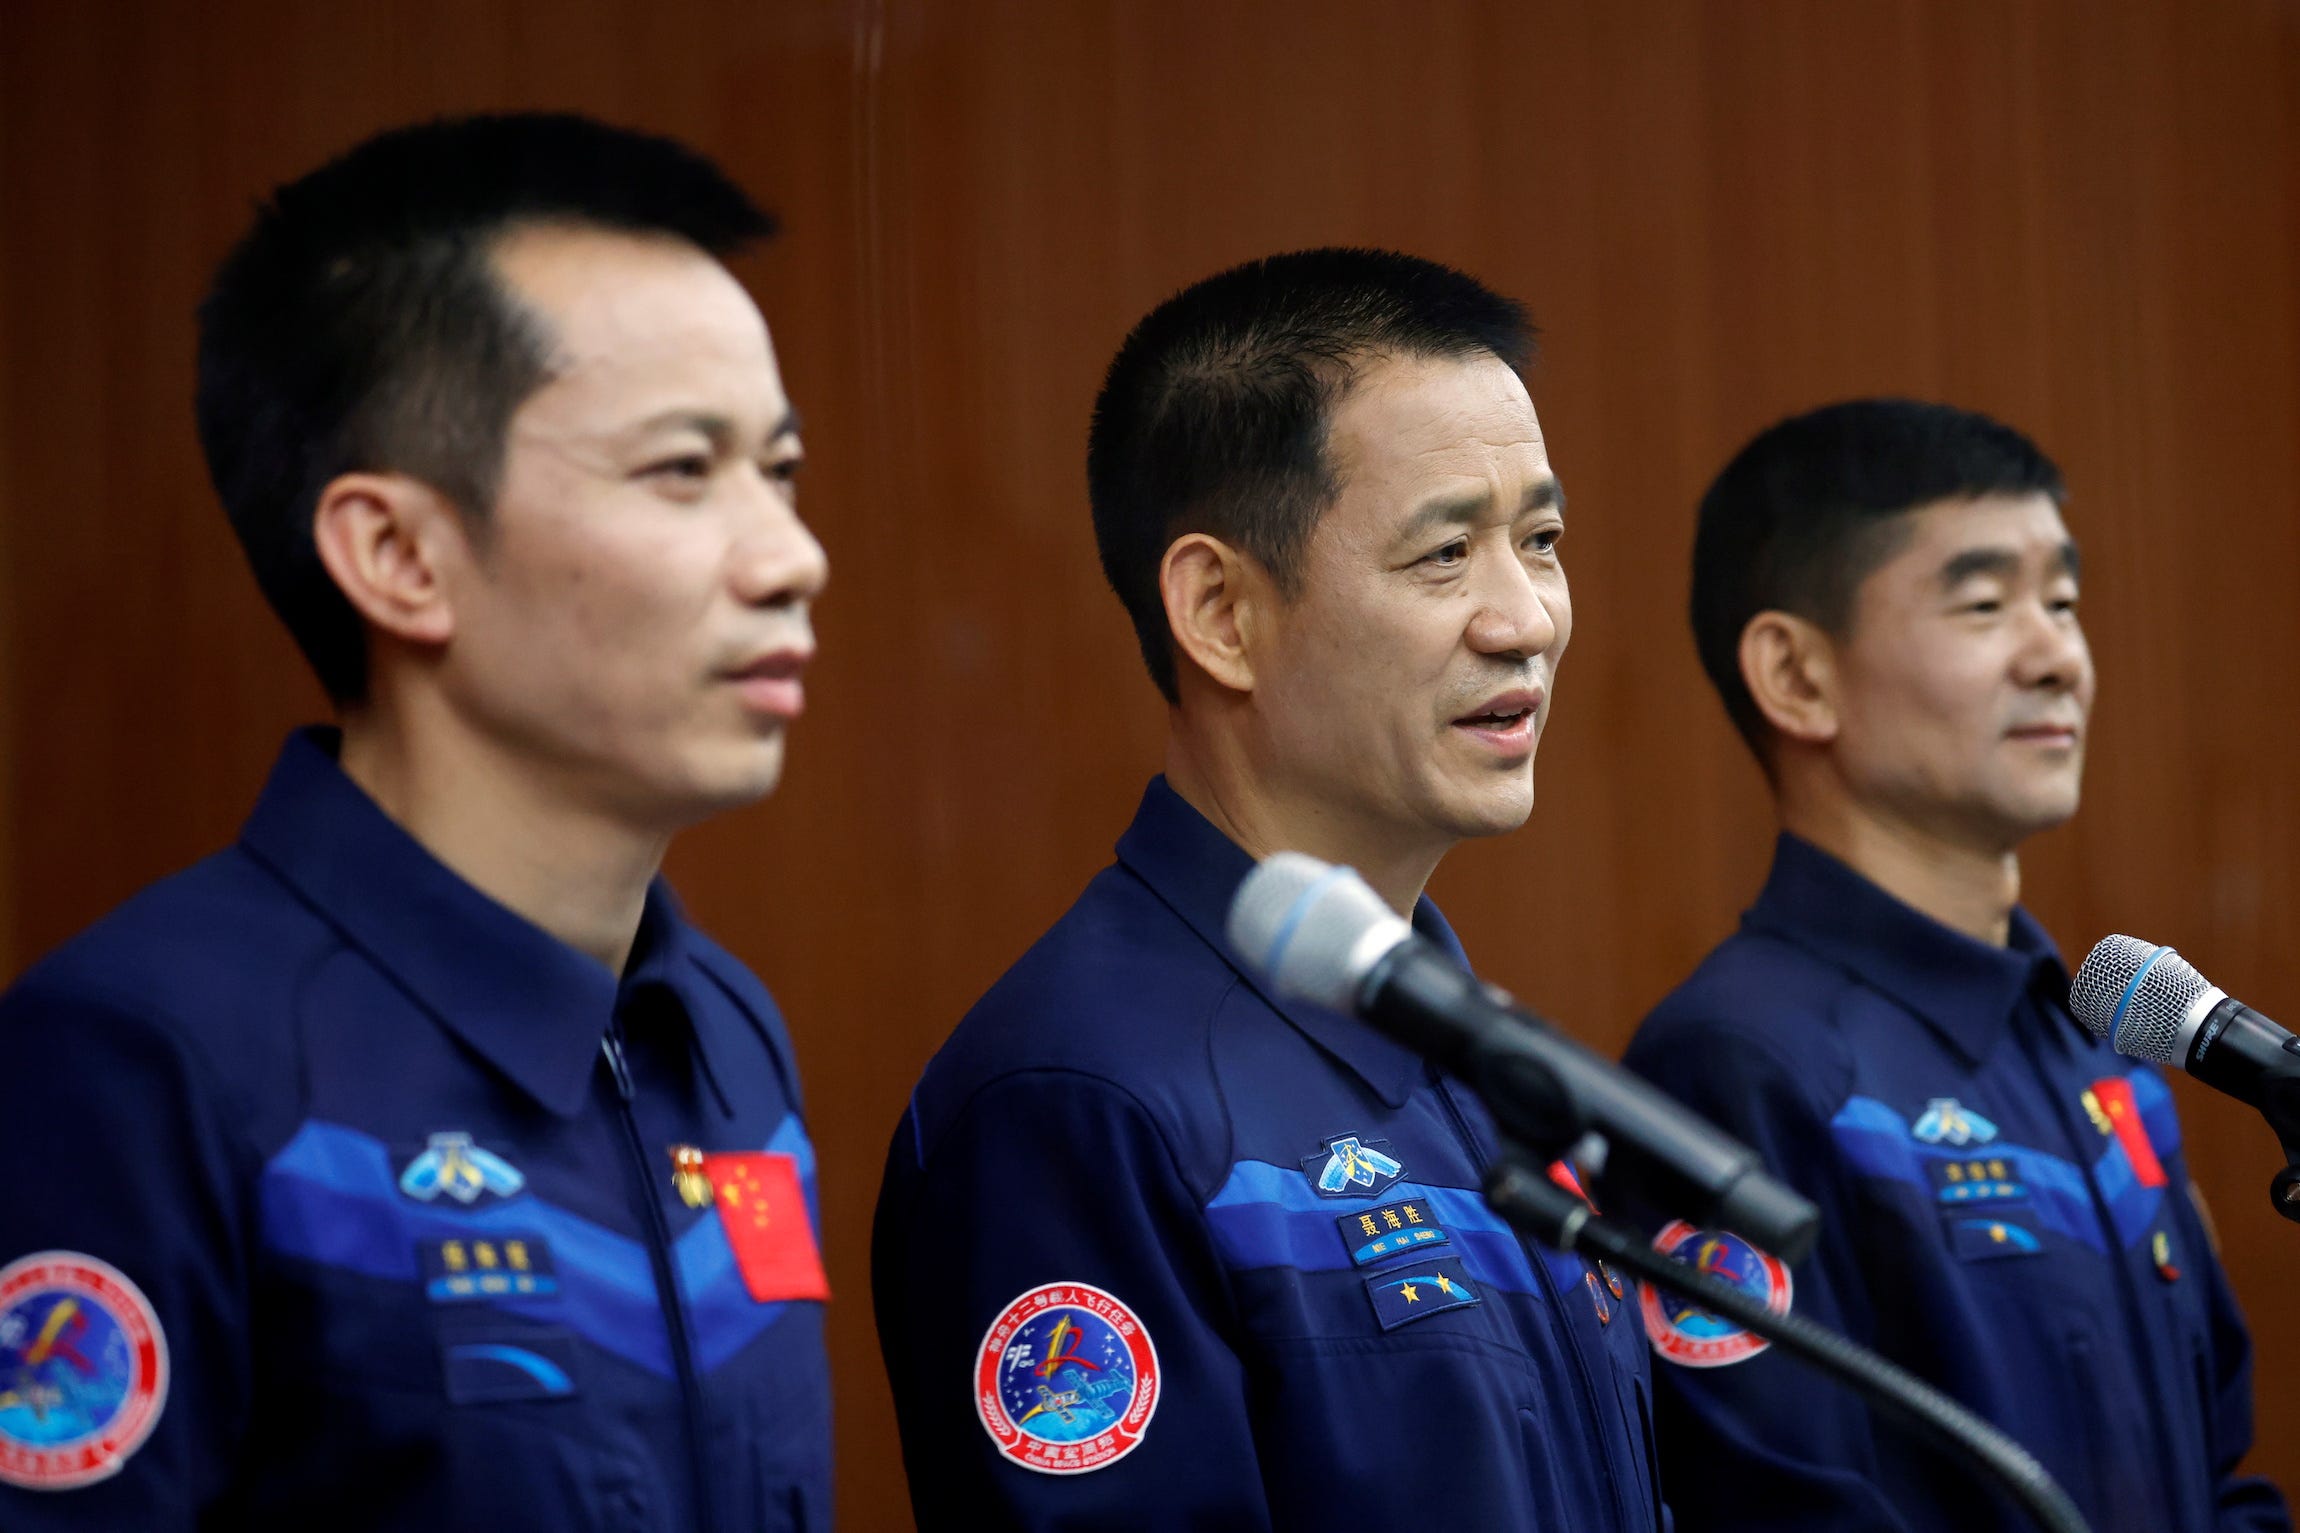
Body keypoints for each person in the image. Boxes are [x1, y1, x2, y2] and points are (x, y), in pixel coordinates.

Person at [0, 113, 835, 1530]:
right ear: (398, 556)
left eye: (782, 468)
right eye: (683, 470)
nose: (790, 555)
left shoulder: (724, 1030)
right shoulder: (138, 1065)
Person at [872, 248, 1663, 1529]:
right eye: (1444, 553)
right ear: (1219, 612)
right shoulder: (1080, 1105)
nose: (1526, 619)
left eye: (1542, 541)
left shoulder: (1466, 1042)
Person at [1617, 398, 2288, 1531]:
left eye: (2063, 602)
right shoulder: (1736, 1064)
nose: (2058, 657)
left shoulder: (2105, 1035)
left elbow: (2216, 1472)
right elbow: (1781, 1509)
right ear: (1795, 676)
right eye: (1985, 605)